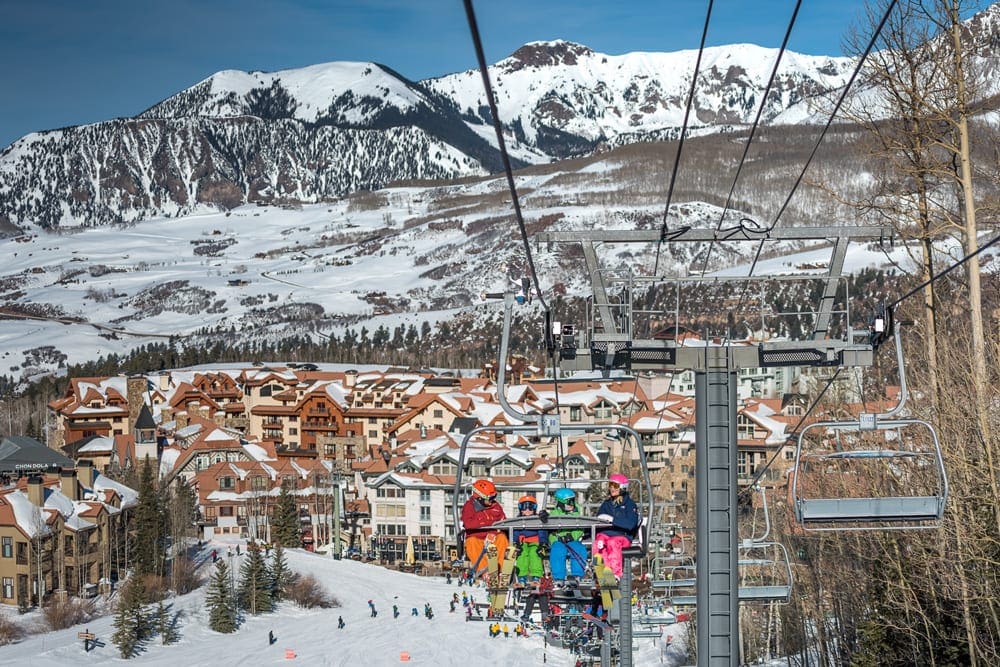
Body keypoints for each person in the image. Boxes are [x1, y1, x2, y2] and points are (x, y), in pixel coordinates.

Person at [593, 473, 640, 579]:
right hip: (606, 533)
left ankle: (615, 573)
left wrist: (613, 520)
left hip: (622, 536)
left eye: (615, 486)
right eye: (610, 485)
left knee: (612, 543)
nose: (612, 488)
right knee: (599, 542)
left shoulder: (629, 505)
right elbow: (598, 519)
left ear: (623, 488)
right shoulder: (607, 504)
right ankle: (601, 569)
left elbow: (631, 524)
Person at [461, 479, 508, 576]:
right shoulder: (469, 506)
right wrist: (489, 523)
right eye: (490, 498)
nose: (492, 500)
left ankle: (501, 569)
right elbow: (468, 523)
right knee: (471, 543)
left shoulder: (496, 507)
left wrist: (497, 530)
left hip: (493, 536)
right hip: (477, 537)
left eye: (494, 497)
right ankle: (484, 570)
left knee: (502, 538)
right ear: (480, 498)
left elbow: (504, 521)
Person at [546, 488, 587, 587]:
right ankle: (559, 577)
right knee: (557, 550)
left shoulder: (576, 513)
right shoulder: (554, 515)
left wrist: (573, 536)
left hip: (572, 540)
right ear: (561, 503)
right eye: (569, 501)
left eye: (573, 500)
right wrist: (555, 539)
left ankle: (577, 574)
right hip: (559, 540)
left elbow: (580, 528)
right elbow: (550, 531)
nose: (572, 504)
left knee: (579, 548)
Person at [512, 495, 546, 586]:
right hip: (522, 542)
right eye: (524, 507)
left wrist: (542, 543)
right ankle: (521, 577)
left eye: (531, 507)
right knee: (522, 555)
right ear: (520, 508)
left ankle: (536, 576)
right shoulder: (518, 520)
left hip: (535, 541)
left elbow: (542, 531)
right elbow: (515, 532)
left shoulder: (538, 519)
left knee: (534, 554)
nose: (527, 510)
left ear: (534, 508)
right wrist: (515, 543)